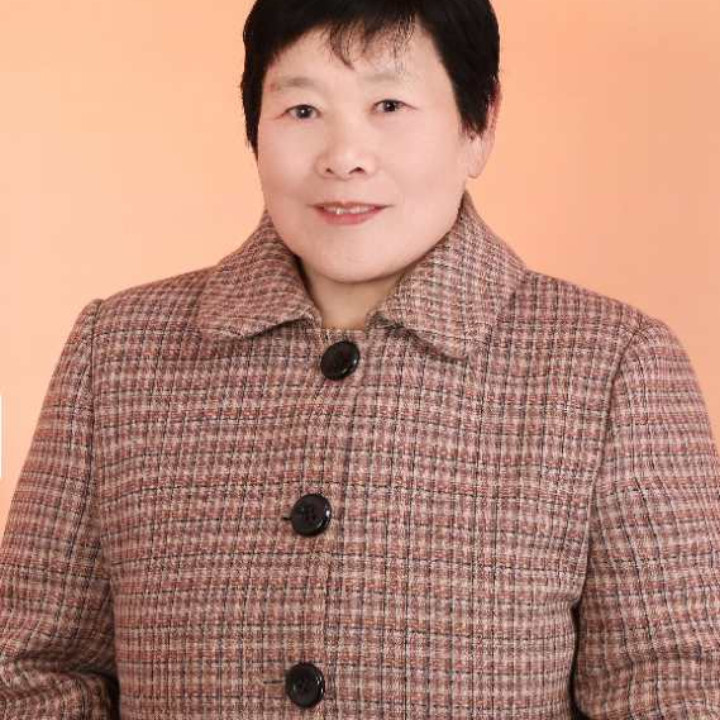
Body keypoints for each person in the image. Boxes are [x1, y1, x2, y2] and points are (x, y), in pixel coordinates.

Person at [1, 0, 719, 717]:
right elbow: (30, 670)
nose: (344, 156)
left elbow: (673, 690)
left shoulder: (612, 367)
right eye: (303, 110)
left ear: (479, 125)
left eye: (389, 105)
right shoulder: (117, 351)